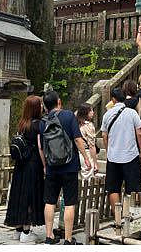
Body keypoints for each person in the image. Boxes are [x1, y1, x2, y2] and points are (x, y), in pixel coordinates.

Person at [38, 89, 93, 245]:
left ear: (45, 106)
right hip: (69, 166)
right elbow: (77, 139)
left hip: (51, 167)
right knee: (69, 202)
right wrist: (87, 158)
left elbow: (41, 148)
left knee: (49, 201)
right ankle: (68, 240)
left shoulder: (43, 122)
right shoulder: (68, 115)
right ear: (59, 102)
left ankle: (49, 236)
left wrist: (45, 166)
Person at [99, 85, 141, 235]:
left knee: (113, 188)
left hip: (113, 157)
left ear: (113, 99)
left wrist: (109, 150)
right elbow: (139, 133)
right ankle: (133, 219)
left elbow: (104, 135)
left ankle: (118, 219)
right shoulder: (131, 113)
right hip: (130, 156)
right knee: (133, 188)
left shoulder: (107, 115)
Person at [5, 95, 46, 242]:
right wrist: (45, 166)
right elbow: (40, 147)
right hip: (33, 165)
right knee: (30, 195)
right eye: (40, 105)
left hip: (20, 165)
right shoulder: (39, 125)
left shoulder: (22, 123)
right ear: (36, 108)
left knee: (19, 193)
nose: (42, 107)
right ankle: (27, 232)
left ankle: (18, 229)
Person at [75, 104, 99, 175]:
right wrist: (95, 163)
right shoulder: (89, 126)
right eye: (91, 110)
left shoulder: (76, 124)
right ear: (86, 113)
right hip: (87, 154)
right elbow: (91, 146)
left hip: (77, 154)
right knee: (88, 181)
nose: (93, 112)